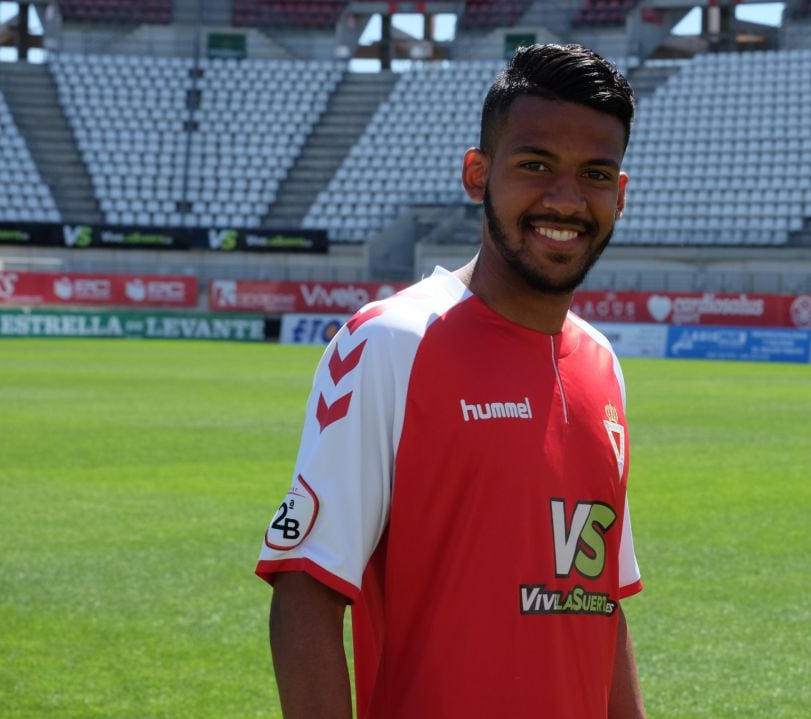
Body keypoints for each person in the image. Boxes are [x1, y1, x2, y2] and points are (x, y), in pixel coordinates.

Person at [256, 43, 645, 719]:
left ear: (621, 192)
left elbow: (598, 596)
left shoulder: (602, 365)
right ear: (477, 173)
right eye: (535, 165)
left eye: (595, 173)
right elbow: (305, 596)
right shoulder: (390, 341)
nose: (566, 197)